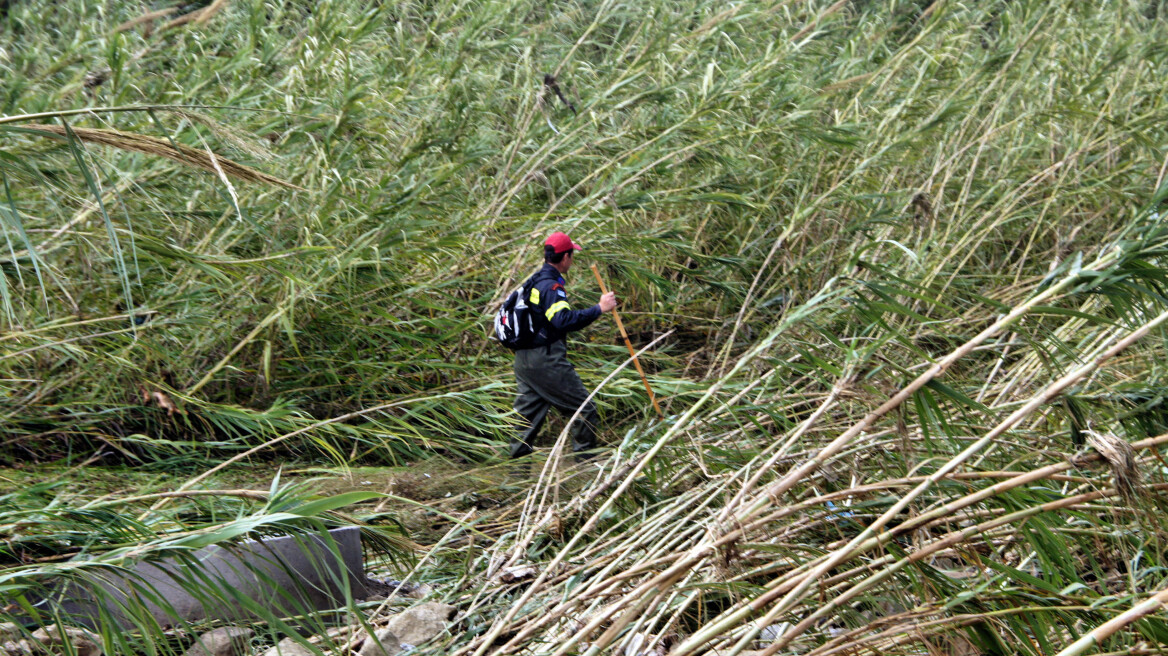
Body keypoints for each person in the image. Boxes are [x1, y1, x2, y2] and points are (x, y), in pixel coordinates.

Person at [510, 231, 617, 459]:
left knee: (525, 424)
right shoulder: (551, 287)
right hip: (545, 361)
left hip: (524, 361)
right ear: (565, 257)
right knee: (584, 410)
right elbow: (562, 320)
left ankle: (514, 475)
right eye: (572, 255)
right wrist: (599, 309)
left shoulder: (534, 281)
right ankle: (585, 469)